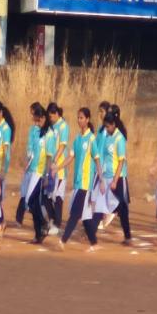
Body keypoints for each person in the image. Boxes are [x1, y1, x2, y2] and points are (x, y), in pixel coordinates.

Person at [55, 108, 99, 252]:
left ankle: (63, 240)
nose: (79, 120)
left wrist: (101, 179)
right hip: (78, 182)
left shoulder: (91, 139)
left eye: (82, 118)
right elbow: (71, 157)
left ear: (87, 119)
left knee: (75, 213)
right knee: (86, 218)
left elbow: (97, 159)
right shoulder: (78, 138)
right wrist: (58, 167)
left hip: (85, 184)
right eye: (78, 117)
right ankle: (94, 243)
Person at [99, 112, 131, 245]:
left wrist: (115, 180)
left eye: (108, 126)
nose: (106, 129)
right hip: (107, 176)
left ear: (113, 125)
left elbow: (121, 161)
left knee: (122, 208)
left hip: (118, 178)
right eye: (105, 127)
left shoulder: (119, 138)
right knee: (101, 203)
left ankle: (128, 236)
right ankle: (90, 231)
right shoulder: (108, 137)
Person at [22, 103, 49, 244]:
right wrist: (27, 162)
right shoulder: (33, 130)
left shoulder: (49, 133)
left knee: (30, 200)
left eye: (36, 116)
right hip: (31, 169)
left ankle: (43, 223)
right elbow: (30, 148)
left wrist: (46, 174)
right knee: (32, 202)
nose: (35, 120)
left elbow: (49, 155)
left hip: (40, 172)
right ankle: (39, 233)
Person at [45, 102, 69, 233]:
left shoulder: (63, 126)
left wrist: (55, 161)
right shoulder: (51, 127)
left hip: (59, 167)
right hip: (50, 165)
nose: (50, 118)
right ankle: (52, 219)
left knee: (58, 197)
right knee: (47, 195)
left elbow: (62, 146)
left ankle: (57, 224)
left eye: (51, 116)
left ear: (57, 114)